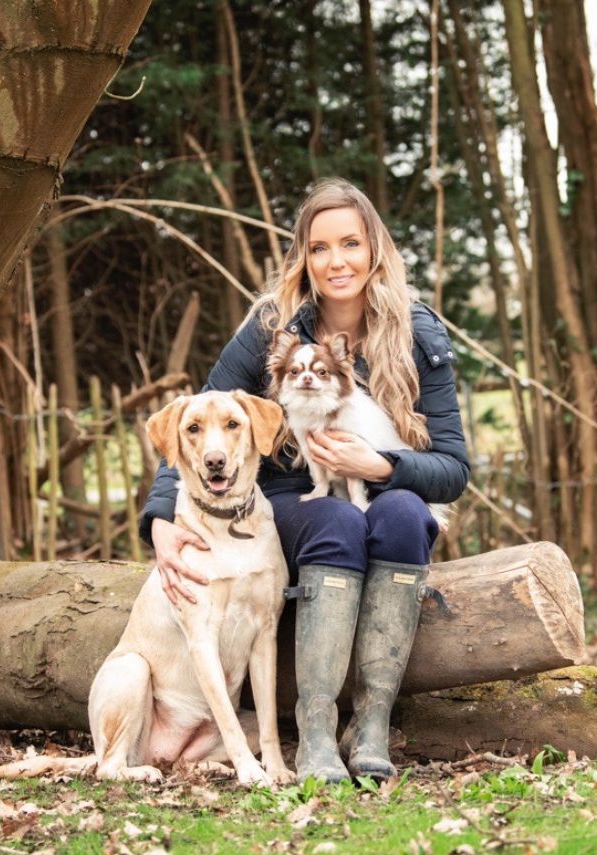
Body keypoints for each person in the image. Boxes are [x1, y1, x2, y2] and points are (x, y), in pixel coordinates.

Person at [140, 178, 470, 783]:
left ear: (375, 249)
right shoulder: (272, 326)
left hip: (383, 484)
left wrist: (382, 466)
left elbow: (452, 469)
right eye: (319, 248)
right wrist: (162, 519)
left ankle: (371, 724)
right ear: (303, 257)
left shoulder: (418, 332)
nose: (336, 261)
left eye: (350, 243)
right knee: (338, 519)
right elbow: (201, 417)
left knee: (402, 514)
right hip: (294, 497)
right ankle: (316, 732)